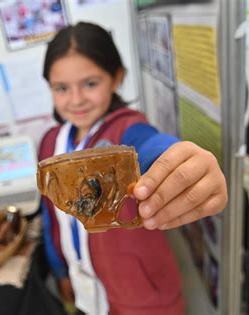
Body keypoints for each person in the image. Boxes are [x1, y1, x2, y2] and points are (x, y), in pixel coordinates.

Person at [39, 22, 228, 315]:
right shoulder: (51, 144)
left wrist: (182, 160)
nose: (76, 99)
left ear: (116, 79)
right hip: (87, 285)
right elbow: (50, 213)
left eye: (90, 83)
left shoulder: (127, 130)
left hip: (141, 291)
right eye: (62, 88)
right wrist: (60, 271)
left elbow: (151, 147)